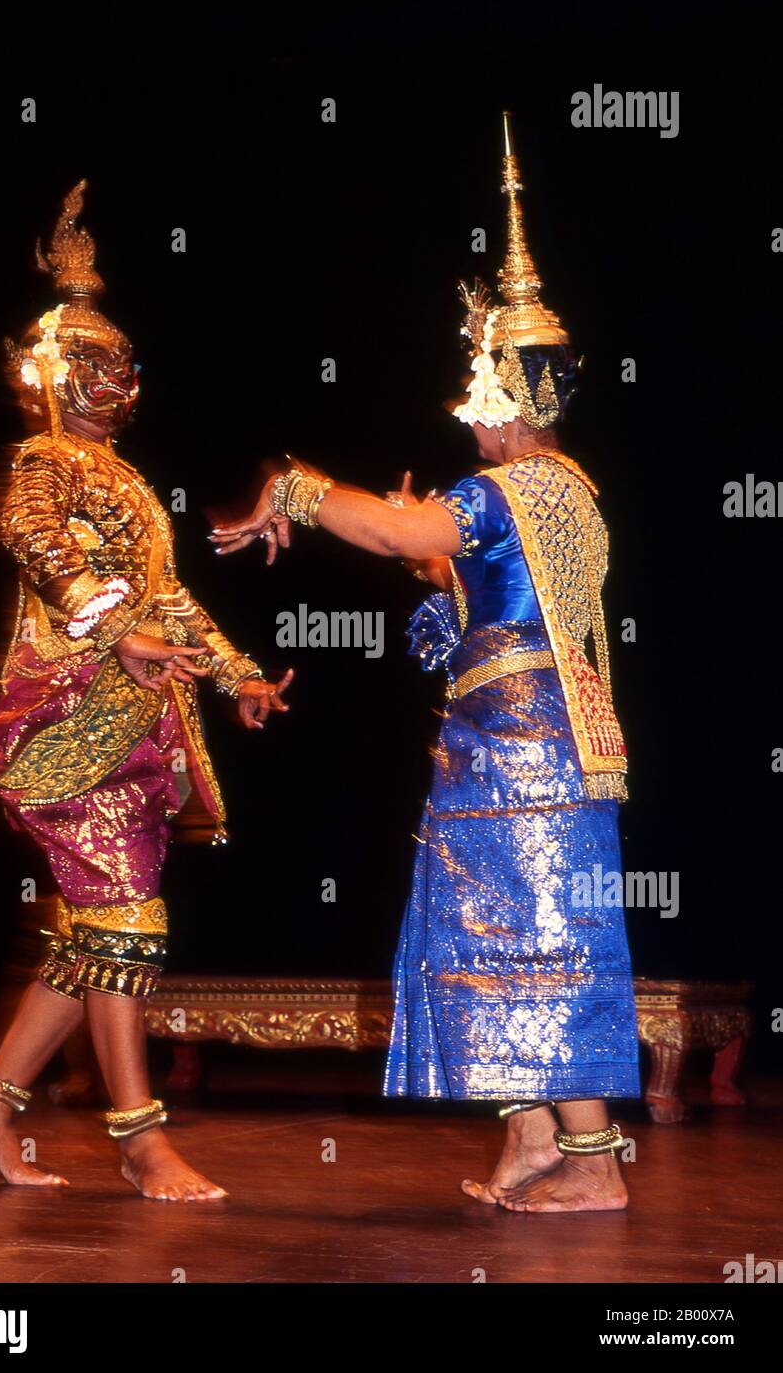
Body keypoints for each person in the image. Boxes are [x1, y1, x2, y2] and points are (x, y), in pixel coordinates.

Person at [211, 115, 640, 1213]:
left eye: (481, 395)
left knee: (538, 935)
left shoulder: (515, 488)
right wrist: (426, 557)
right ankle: (532, 1142)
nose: (472, 418)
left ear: (510, 395)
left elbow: (414, 538)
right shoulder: (564, 493)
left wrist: (299, 487)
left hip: (525, 751)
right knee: (489, 930)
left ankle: (593, 1171)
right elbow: (463, 580)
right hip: (512, 738)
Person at [0, 182, 292, 1202]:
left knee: (93, 932)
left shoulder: (127, 479)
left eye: (125, 367)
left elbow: (167, 595)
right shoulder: (42, 460)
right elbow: (37, 542)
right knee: (129, 925)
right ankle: (140, 1137)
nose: (119, 383)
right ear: (55, 373)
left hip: (133, 727)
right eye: (98, 366)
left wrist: (234, 675)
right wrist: (114, 627)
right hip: (61, 724)